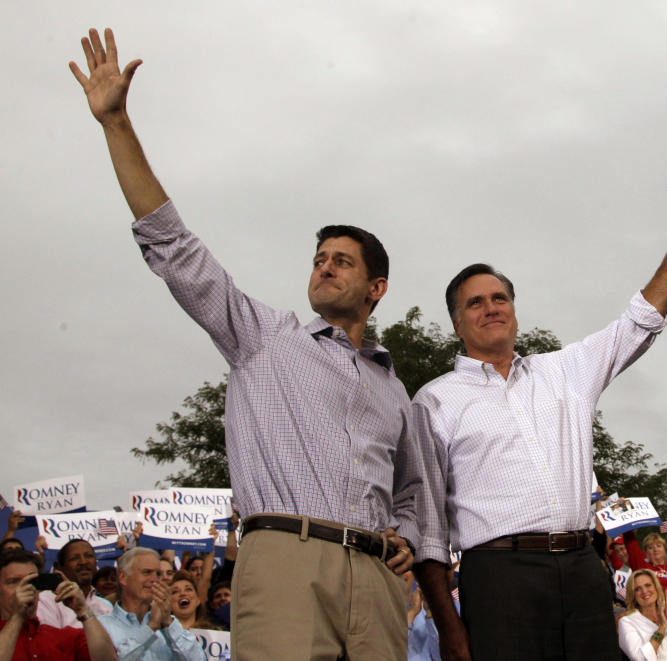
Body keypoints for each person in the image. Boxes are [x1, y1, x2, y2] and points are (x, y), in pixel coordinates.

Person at [70, 28, 422, 660]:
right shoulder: (263, 337)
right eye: (319, 258)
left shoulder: (394, 389)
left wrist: (409, 536)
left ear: (377, 287)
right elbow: (176, 249)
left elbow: (414, 490)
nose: (324, 267)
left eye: (342, 261)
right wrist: (117, 124)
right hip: (286, 559)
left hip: (375, 581)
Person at [413, 170, 667, 661]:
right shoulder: (435, 400)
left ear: (515, 311)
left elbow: (642, 319)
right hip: (498, 577)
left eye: (500, 298)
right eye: (476, 303)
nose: (491, 308)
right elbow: (425, 525)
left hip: (581, 570)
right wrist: (450, 626)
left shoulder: (566, 370)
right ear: (457, 323)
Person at [0, 548, 117, 661]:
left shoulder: (65, 637)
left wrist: (83, 611)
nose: (25, 588)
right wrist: (17, 617)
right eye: (14, 581)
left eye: (32, 581)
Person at [98, 548, 204, 660]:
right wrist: (151, 627)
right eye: (146, 572)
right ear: (123, 577)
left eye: (157, 574)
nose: (155, 580)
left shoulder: (170, 624)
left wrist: (168, 622)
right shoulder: (102, 626)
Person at [37, 540, 113, 628]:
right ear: (59, 567)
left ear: (96, 563)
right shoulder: (47, 600)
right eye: (74, 558)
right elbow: (50, 639)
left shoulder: (105, 608)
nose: (83, 562)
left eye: (89, 556)